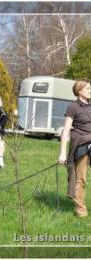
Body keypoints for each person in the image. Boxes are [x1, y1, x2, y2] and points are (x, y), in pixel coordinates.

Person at [58, 79, 91, 217]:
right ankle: (81, 210)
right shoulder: (73, 107)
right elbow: (66, 131)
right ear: (79, 91)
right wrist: (62, 153)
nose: (90, 90)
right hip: (81, 145)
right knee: (81, 178)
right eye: (88, 88)